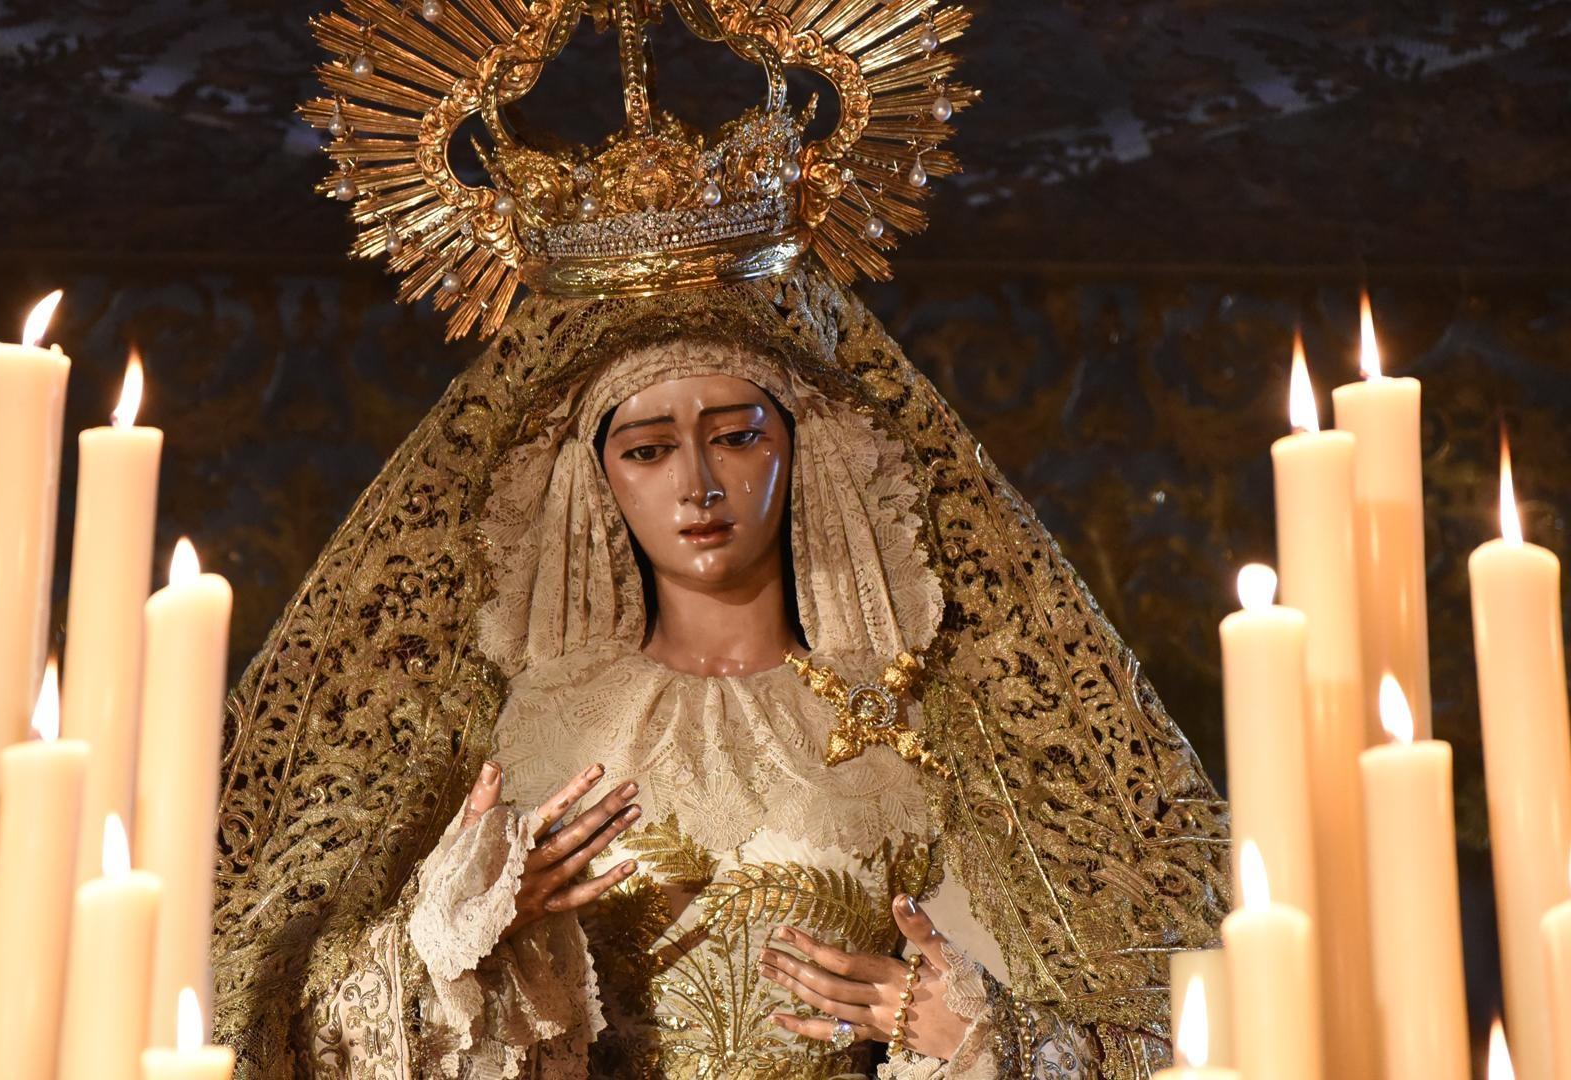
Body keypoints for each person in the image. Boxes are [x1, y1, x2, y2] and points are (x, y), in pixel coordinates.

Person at [215, 0, 1228, 1073]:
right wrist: (453, 948)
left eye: (736, 437)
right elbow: (279, 1021)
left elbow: (1162, 1017)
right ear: (594, 484)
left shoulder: (920, 714)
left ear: (808, 453)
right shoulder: (520, 722)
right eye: (647, 449)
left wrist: (975, 1035)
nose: (698, 484)